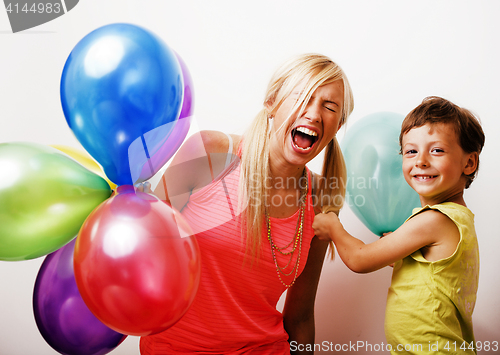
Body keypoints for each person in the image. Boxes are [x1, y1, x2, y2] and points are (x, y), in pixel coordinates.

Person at [139, 53, 354, 354]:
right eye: (302, 97)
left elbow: (300, 316)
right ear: (271, 103)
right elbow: (142, 247)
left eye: (329, 107)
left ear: (337, 125)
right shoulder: (210, 153)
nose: (314, 114)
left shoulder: (322, 198)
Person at [312, 96, 485, 354]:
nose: (421, 161)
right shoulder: (454, 217)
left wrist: (334, 227)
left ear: (468, 163)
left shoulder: (434, 220)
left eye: (436, 150)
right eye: (411, 151)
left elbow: (360, 260)